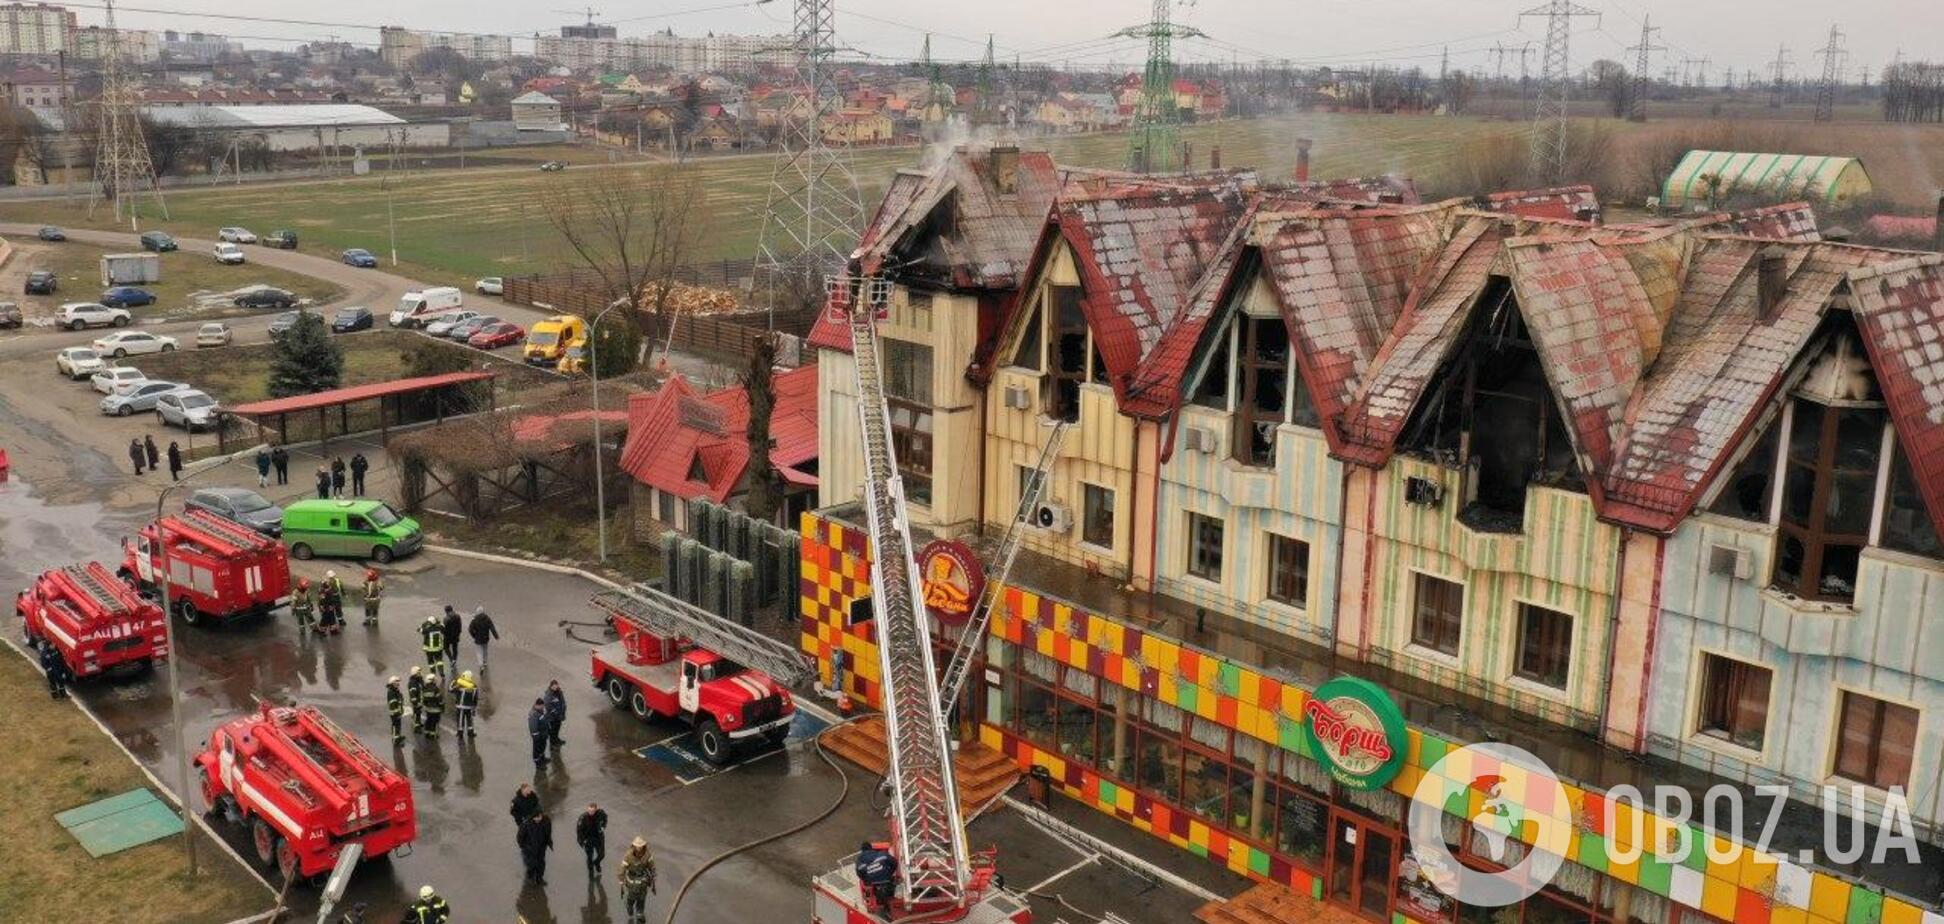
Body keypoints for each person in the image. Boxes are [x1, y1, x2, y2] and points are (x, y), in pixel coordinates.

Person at [618, 837, 657, 922]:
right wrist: (621, 879)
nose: (639, 848)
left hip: (643, 879)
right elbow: (622, 868)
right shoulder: (628, 855)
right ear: (634, 846)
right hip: (632, 879)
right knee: (632, 896)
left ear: (643, 846)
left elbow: (652, 865)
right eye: (637, 846)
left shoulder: (647, 855)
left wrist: (653, 874)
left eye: (641, 846)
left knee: (642, 897)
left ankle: (640, 913)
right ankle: (629, 905)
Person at [855, 840, 898, 913]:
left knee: (874, 891)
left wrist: (866, 880)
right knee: (892, 886)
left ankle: (877, 902)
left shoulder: (859, 860)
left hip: (872, 882)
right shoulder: (881, 854)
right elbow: (894, 862)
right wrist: (890, 872)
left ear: (862, 851)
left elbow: (859, 873)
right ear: (871, 848)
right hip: (886, 878)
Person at [517, 811, 554, 886]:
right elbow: (520, 837)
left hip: (541, 846)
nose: (537, 819)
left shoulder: (546, 821)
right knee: (531, 864)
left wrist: (548, 842)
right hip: (529, 848)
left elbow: (548, 832)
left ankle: (539, 878)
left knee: (541, 863)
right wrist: (525, 846)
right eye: (535, 818)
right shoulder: (526, 824)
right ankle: (530, 878)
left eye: (539, 817)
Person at [575, 803, 608, 876]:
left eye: (592, 811)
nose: (591, 813)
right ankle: (591, 870)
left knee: (602, 855)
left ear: (596, 809)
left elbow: (605, 818)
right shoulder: (583, 818)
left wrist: (603, 826)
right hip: (588, 839)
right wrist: (582, 842)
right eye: (589, 811)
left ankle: (596, 863)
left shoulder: (601, 813)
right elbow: (579, 831)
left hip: (598, 838)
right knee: (589, 857)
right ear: (587, 809)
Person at [468, 606, 499, 673]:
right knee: (485, 650)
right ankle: (485, 662)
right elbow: (492, 627)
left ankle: (481, 665)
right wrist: (496, 636)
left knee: (479, 652)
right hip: (485, 638)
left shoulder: (474, 619)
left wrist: (474, 636)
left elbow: (470, 629)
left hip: (478, 639)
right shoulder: (487, 618)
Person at [451, 670, 479, 739]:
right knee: (470, 720)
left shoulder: (460, 686)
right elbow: (475, 698)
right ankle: (471, 732)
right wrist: (474, 707)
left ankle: (460, 733)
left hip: (460, 706)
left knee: (460, 719)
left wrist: (453, 683)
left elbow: (451, 690)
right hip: (470, 707)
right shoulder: (474, 686)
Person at [420, 614, 446, 681]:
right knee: (439, 661)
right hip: (438, 648)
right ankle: (442, 673)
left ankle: (433, 673)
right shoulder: (440, 627)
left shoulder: (427, 629)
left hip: (429, 649)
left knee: (431, 662)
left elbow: (419, 629)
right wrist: (438, 622)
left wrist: (424, 624)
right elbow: (444, 628)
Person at [318, 570, 345, 634]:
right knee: (325, 619)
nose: (328, 583)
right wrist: (324, 607)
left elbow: (331, 597)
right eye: (327, 583)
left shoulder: (328, 588)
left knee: (332, 618)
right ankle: (322, 631)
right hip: (326, 607)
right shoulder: (322, 591)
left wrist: (332, 605)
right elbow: (322, 600)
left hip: (330, 605)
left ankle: (333, 630)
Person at [420, 671, 445, 738]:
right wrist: (442, 707)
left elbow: (424, 700)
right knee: (435, 722)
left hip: (428, 709)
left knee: (429, 720)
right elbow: (440, 700)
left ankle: (427, 733)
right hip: (436, 709)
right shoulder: (436, 689)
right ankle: (433, 735)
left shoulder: (425, 689)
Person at [527, 699, 551, 769]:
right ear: (538, 705)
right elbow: (533, 727)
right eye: (542, 706)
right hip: (538, 736)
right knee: (537, 749)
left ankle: (542, 758)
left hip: (543, 735)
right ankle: (538, 763)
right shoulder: (533, 714)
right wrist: (536, 737)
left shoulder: (540, 711)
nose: (543, 707)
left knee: (542, 747)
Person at [544, 679, 567, 747]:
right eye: (554, 686)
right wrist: (556, 713)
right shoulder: (548, 694)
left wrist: (563, 710)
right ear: (551, 686)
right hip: (552, 717)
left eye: (556, 685)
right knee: (553, 730)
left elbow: (562, 701)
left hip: (559, 715)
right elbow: (548, 706)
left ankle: (557, 739)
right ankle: (552, 743)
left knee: (557, 728)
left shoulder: (559, 692)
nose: (555, 687)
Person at [385, 675, 406, 743]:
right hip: (395, 713)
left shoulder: (395, 691)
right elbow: (393, 704)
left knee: (398, 725)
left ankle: (398, 737)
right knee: (395, 725)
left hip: (398, 712)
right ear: (393, 683)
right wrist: (397, 713)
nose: (398, 683)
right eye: (396, 682)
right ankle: (395, 740)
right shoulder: (391, 692)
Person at [406, 665, 426, 734]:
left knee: (419, 712)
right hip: (416, 701)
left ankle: (419, 723)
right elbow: (413, 694)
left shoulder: (419, 680)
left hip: (420, 700)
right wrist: (415, 702)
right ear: (414, 673)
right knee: (416, 713)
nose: (420, 674)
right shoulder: (412, 683)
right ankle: (416, 727)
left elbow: (423, 687)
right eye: (418, 672)